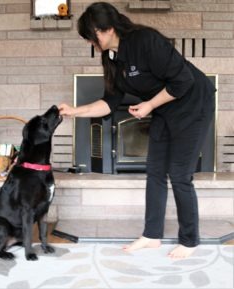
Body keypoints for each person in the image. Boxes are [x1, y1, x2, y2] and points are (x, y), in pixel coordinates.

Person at [58, 2, 215, 258]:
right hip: (165, 107)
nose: (89, 42)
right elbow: (109, 103)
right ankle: (151, 236)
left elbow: (183, 80)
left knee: (179, 174)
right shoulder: (111, 58)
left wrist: (149, 105)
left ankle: (189, 240)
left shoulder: (145, 41)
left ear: (107, 29)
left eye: (91, 36)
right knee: (154, 171)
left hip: (193, 104)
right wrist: (74, 111)